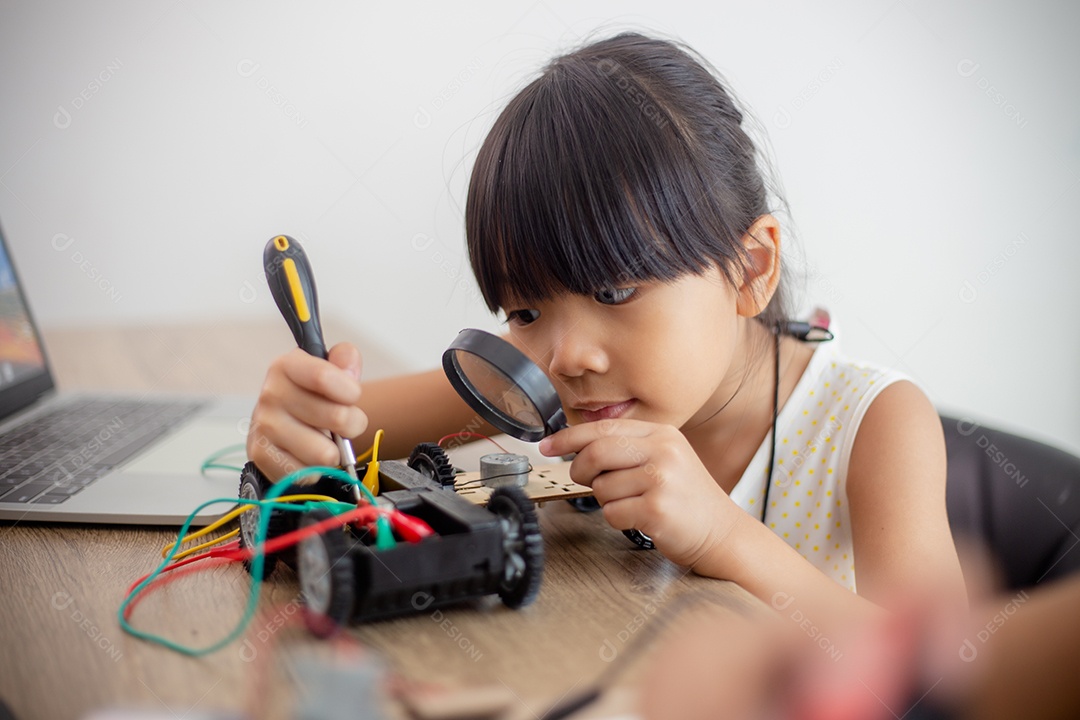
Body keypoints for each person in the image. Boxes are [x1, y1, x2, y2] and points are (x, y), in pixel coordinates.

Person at [247, 31, 966, 626]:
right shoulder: (545, 377)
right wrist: (299, 415)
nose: (568, 355)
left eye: (615, 289)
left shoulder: (872, 424)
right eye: (525, 311)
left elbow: (948, 685)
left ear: (750, 268)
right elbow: (348, 427)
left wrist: (724, 535)